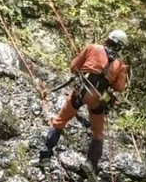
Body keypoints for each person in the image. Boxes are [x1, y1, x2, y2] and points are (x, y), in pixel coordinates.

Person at [39, 29, 129, 173]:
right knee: (97, 134)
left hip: (81, 91)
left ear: (108, 39)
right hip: (98, 99)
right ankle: (91, 164)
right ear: (120, 47)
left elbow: (73, 67)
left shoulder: (92, 48)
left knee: (60, 121)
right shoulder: (120, 64)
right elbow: (119, 87)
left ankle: (46, 155)